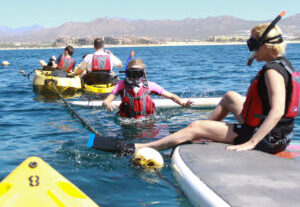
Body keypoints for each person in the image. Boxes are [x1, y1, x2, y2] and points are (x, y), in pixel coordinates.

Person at [131, 19, 299, 154]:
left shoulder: (272, 72)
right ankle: (203, 133)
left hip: (266, 139)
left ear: (267, 46)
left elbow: (277, 111)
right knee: (230, 97)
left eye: (253, 45)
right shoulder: (283, 64)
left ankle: (144, 147)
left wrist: (251, 142)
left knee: (195, 126)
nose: (251, 50)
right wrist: (256, 55)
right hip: (280, 135)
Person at [103, 59, 193, 119]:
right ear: (127, 73)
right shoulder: (121, 85)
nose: (135, 77)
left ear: (143, 73)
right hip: (127, 123)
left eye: (138, 74)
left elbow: (171, 95)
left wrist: (182, 103)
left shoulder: (150, 85)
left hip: (148, 122)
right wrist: (108, 105)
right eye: (132, 74)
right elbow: (106, 101)